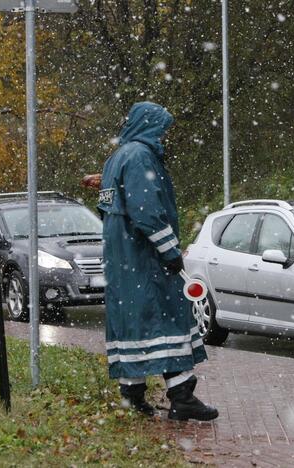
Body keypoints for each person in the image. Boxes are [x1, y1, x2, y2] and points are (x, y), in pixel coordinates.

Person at [97, 102, 218, 421]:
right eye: (162, 128)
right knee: (167, 323)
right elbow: (147, 213)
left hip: (122, 263)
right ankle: (182, 397)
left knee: (133, 328)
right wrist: (171, 253)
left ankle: (132, 396)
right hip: (145, 262)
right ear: (149, 125)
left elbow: (110, 206)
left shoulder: (117, 158)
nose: (165, 135)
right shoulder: (140, 157)